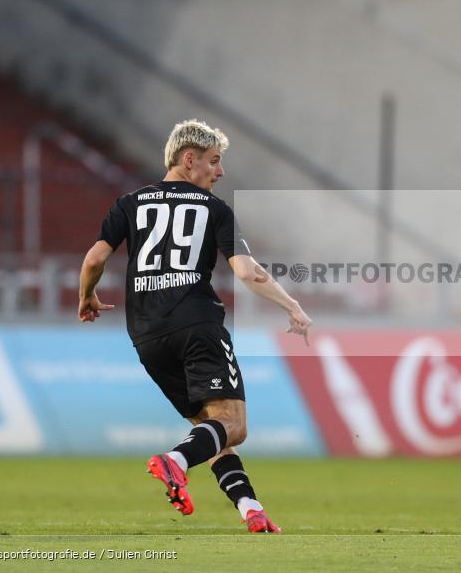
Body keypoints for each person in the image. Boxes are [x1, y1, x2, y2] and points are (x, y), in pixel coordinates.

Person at [77, 119, 312, 533]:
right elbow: (247, 271)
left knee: (210, 430)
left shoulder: (128, 203)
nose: (219, 172)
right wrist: (291, 305)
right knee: (234, 425)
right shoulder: (215, 209)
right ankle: (175, 461)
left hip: (146, 336)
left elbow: (94, 259)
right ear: (189, 160)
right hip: (196, 324)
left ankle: (250, 510)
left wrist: (86, 297)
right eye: (214, 162)